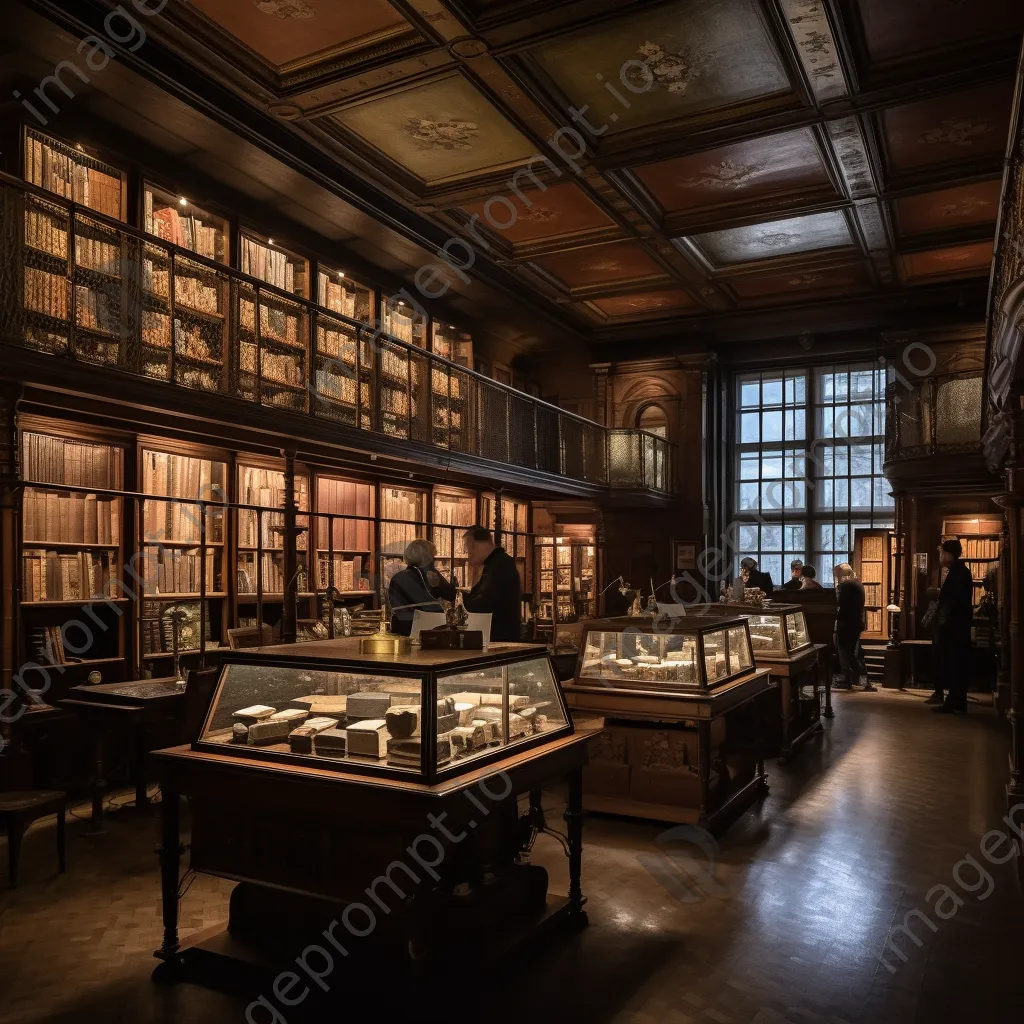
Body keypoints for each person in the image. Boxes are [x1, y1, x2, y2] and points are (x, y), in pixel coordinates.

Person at [933, 539, 974, 714]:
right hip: (958, 624)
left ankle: (954, 701)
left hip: (955, 626)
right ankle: (957, 700)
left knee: (954, 662)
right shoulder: (959, 571)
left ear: (949, 554)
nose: (941, 556)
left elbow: (952, 599)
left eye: (943, 553)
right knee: (956, 663)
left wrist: (943, 619)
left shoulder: (957, 572)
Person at [462, 525, 522, 642]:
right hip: (499, 636)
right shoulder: (496, 564)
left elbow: (484, 602)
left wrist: (461, 603)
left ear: (476, 545)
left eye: (468, 548)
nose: (468, 553)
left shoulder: (500, 565)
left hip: (500, 638)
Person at [387, 539, 456, 637]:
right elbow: (451, 595)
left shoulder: (397, 577)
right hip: (429, 629)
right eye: (432, 556)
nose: (434, 560)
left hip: (401, 629)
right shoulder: (430, 574)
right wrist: (452, 581)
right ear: (426, 557)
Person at [833, 562, 874, 691]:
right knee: (853, 653)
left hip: (846, 623)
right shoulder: (858, 584)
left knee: (845, 652)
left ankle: (849, 680)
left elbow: (840, 603)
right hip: (855, 623)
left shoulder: (846, 585)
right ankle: (862, 681)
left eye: (837, 574)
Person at [920, 586, 943, 705]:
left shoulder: (935, 603)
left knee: (937, 664)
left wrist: (924, 623)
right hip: (940, 635)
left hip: (938, 635)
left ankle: (938, 693)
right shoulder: (941, 602)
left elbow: (927, 619)